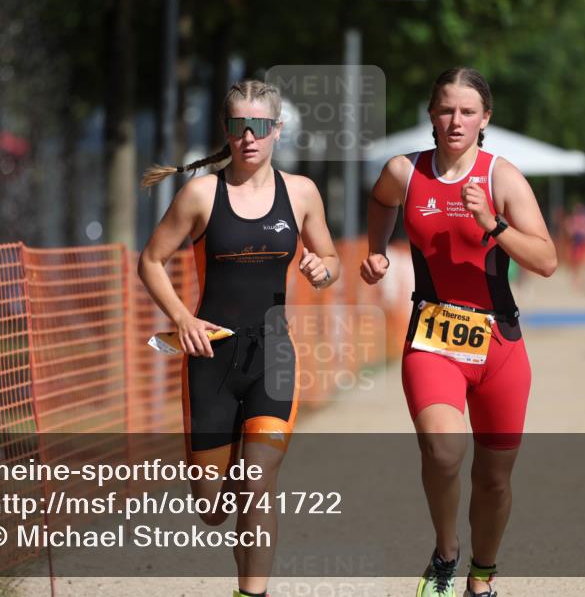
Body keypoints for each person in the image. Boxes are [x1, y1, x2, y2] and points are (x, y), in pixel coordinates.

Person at [138, 79, 340, 597]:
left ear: (278, 129)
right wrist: (182, 318)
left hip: (273, 354)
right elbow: (151, 261)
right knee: (213, 508)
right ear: (226, 129)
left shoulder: (301, 193)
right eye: (238, 126)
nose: (249, 137)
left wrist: (323, 269)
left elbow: (331, 258)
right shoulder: (201, 194)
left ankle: (251, 592)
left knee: (257, 479)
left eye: (260, 126)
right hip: (210, 358)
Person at [361, 67, 557, 597]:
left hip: (499, 345)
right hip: (433, 339)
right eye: (446, 109)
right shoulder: (405, 171)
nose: (455, 121)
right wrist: (377, 250)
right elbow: (381, 200)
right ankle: (446, 554)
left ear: (484, 118)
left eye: (468, 111)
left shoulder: (502, 178)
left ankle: (482, 575)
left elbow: (546, 261)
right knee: (444, 451)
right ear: (431, 113)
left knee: (494, 480)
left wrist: (494, 223)